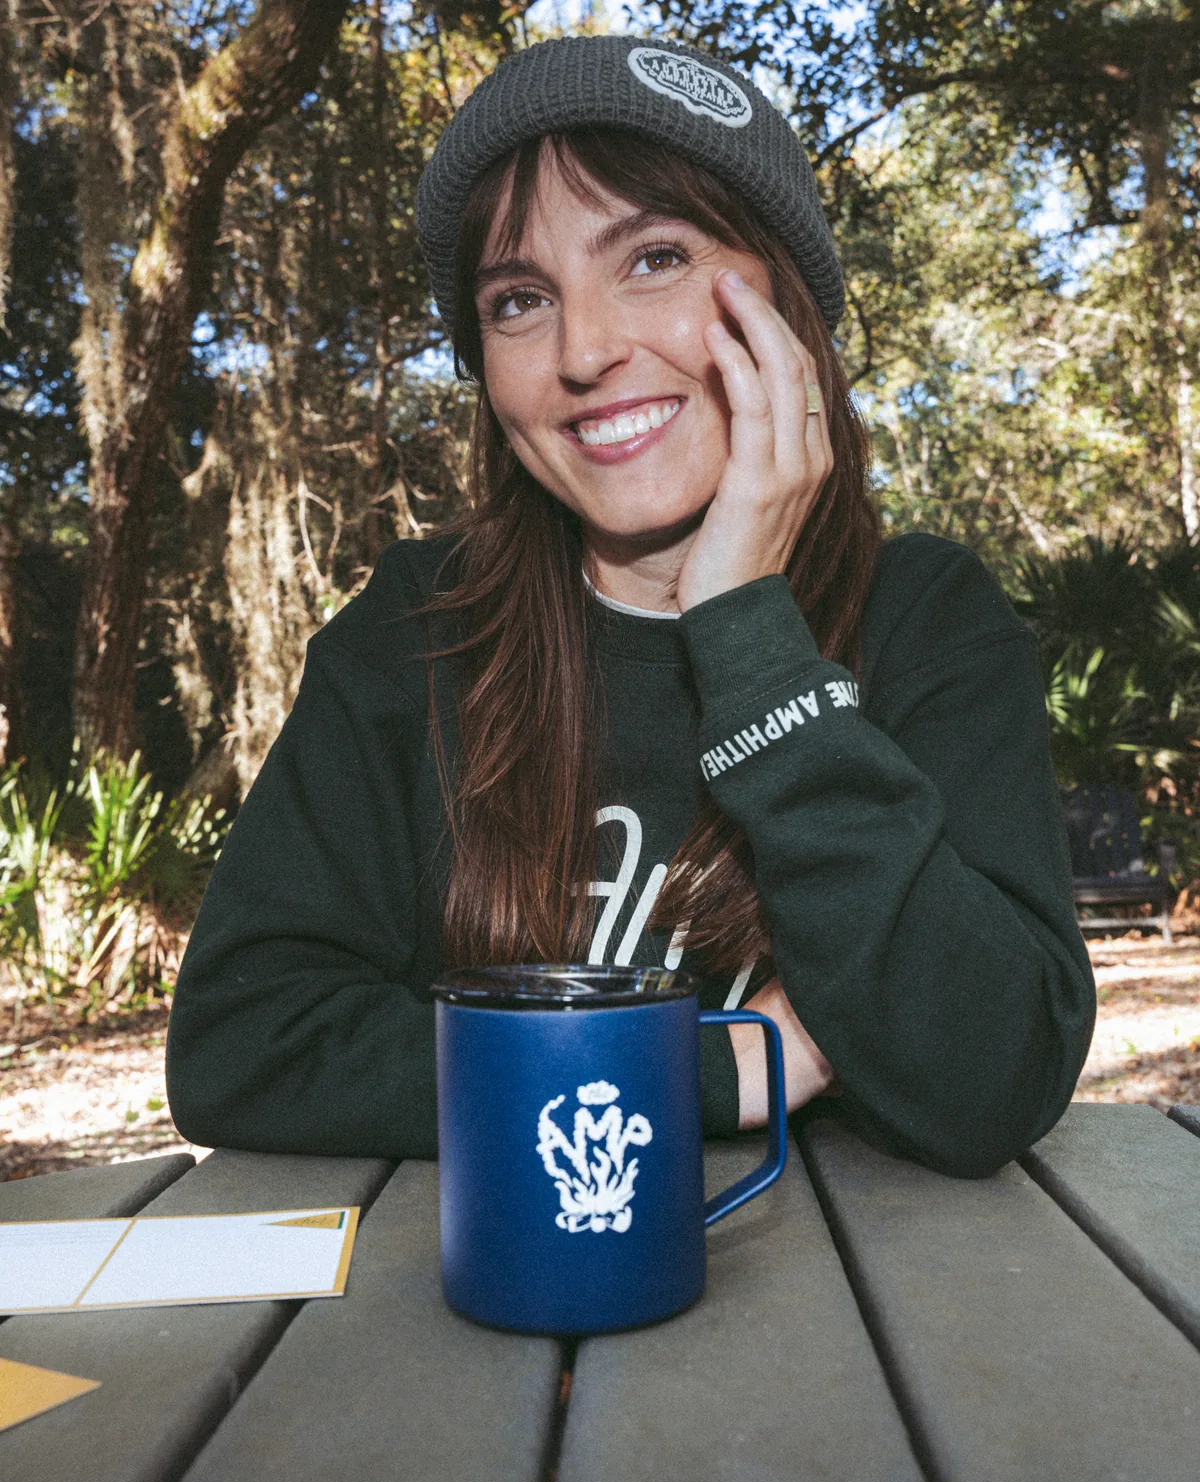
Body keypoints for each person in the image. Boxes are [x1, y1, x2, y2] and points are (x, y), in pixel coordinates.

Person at [165, 35, 1095, 1178]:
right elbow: (241, 1046)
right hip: (457, 1326)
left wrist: (752, 637)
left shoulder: (926, 618)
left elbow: (993, 1072)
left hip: (849, 1328)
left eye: (653, 257)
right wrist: (705, 1067)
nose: (585, 349)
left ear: (784, 306)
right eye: (518, 299)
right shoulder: (418, 627)